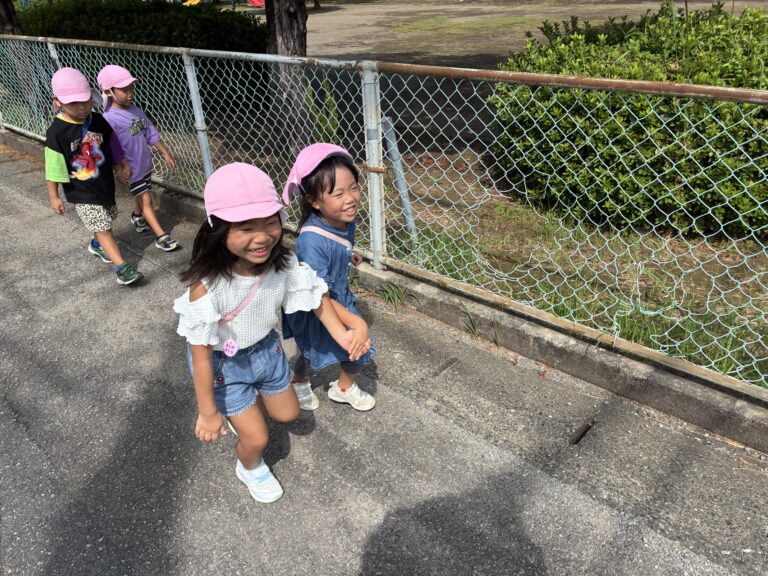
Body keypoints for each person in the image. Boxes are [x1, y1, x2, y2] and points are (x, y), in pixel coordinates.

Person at [174, 163, 370, 503]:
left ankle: (246, 415)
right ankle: (249, 466)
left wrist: (346, 333)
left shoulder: (283, 264)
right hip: (223, 367)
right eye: (246, 227)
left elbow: (317, 300)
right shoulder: (207, 289)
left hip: (267, 352)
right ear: (218, 229)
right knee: (258, 438)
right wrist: (207, 412)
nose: (263, 236)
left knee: (289, 415)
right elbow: (201, 356)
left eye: (270, 223)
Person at [281, 143, 376, 412]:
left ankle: (343, 388)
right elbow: (314, 293)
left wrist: (349, 255)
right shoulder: (310, 242)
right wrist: (355, 321)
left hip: (337, 298)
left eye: (354, 188)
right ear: (314, 200)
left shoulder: (344, 220)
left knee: (360, 349)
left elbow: (340, 243)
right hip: (316, 305)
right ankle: (299, 381)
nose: (351, 198)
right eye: (338, 193)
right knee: (312, 352)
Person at [45, 67, 143, 286]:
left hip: (103, 183)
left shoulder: (97, 120)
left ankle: (97, 244)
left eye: (86, 101)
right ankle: (122, 268)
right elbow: (53, 166)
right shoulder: (57, 131)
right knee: (103, 226)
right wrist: (54, 195)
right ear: (58, 101)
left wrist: (121, 163)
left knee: (110, 216)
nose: (82, 107)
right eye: (74, 103)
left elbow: (112, 142)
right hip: (80, 191)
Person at [97, 64, 180, 252]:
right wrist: (119, 168)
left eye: (131, 89)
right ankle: (161, 236)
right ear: (109, 92)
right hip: (131, 170)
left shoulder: (136, 110)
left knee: (142, 199)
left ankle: (137, 216)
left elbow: (150, 131)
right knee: (147, 199)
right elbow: (111, 148)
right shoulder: (109, 119)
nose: (130, 94)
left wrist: (165, 152)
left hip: (144, 165)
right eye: (124, 90)